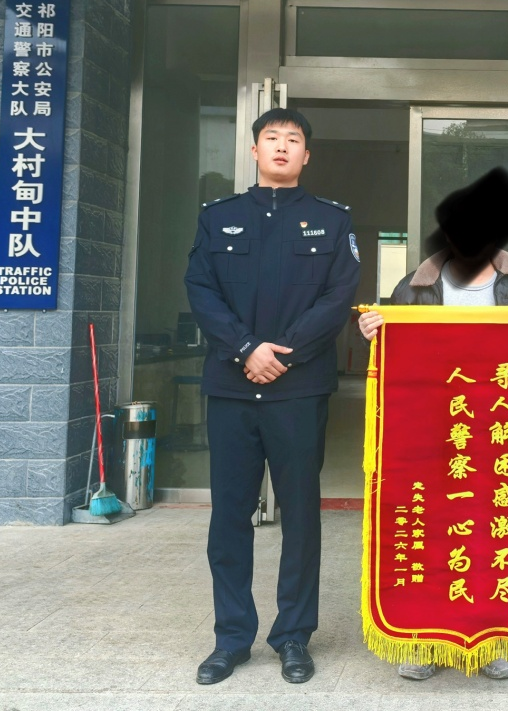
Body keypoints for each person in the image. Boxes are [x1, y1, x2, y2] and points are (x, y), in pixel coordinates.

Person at [358, 167, 508, 681]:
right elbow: (393, 357)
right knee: (432, 531)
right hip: (432, 434)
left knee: (496, 532)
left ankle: (497, 638)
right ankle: (424, 640)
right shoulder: (413, 287)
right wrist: (374, 331)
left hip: (502, 433)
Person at [184, 108, 360, 686]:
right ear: (255, 150)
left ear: (307, 155)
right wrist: (245, 349)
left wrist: (283, 353)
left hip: (298, 389)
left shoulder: (332, 220)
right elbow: (201, 289)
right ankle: (231, 638)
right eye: (272, 138)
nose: (282, 146)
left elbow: (338, 297)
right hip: (232, 388)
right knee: (229, 518)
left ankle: (293, 636)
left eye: (293, 140)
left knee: (301, 518)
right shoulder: (219, 217)